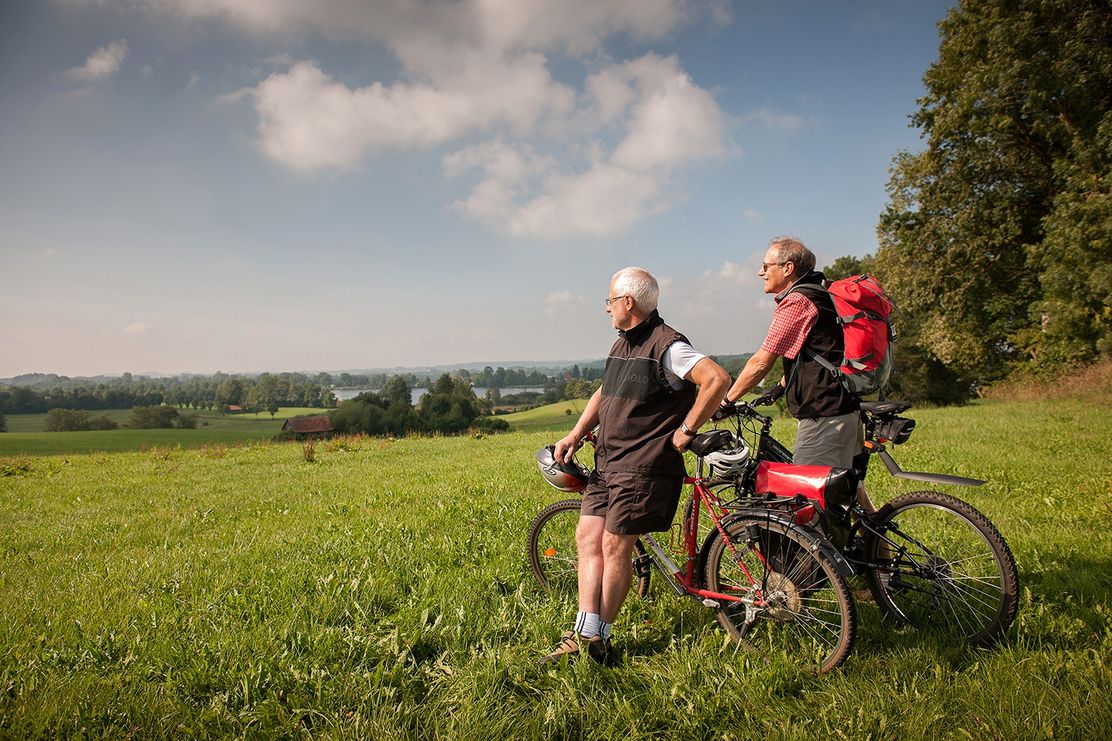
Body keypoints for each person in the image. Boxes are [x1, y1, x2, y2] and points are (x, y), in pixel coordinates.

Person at [541, 267, 729, 664]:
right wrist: (575, 434)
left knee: (615, 545)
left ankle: (598, 639)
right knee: (587, 538)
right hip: (608, 462)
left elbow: (716, 379)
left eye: (610, 301)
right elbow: (604, 392)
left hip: (643, 466)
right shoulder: (621, 345)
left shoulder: (668, 345)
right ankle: (585, 631)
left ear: (628, 302)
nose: (606, 308)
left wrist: (687, 429)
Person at [720, 236, 874, 507]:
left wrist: (726, 401)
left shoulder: (798, 301)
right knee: (849, 492)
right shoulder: (821, 293)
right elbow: (817, 353)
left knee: (803, 498)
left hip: (824, 416)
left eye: (766, 266)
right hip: (845, 410)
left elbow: (760, 362)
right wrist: (780, 388)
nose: (760, 272)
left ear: (788, 268)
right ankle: (877, 535)